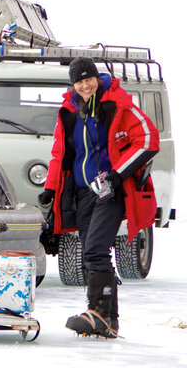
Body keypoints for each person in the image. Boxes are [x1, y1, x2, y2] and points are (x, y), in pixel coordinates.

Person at [38, 57, 159, 338]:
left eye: (88, 79)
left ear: (96, 77)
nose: (84, 85)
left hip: (110, 191)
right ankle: (107, 319)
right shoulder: (68, 110)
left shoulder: (117, 102)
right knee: (90, 253)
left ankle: (100, 313)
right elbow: (60, 153)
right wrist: (51, 188)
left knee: (94, 249)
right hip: (82, 192)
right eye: (79, 81)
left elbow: (148, 139)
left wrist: (117, 175)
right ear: (73, 84)